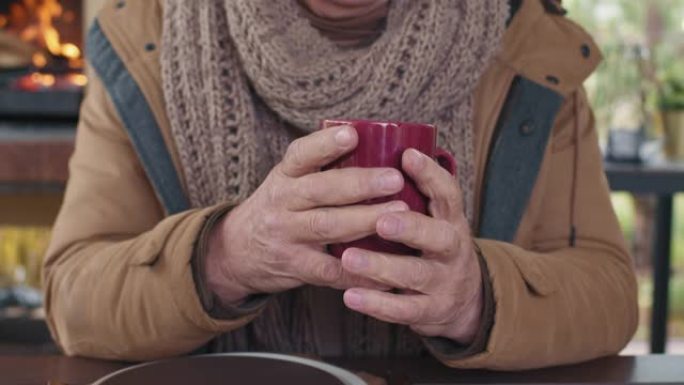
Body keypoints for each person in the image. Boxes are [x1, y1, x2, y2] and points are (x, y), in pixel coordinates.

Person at [42, 0, 638, 370]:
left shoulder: (532, 46)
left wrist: (478, 299)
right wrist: (221, 257)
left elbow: (609, 297)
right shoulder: (143, 38)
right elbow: (72, 299)